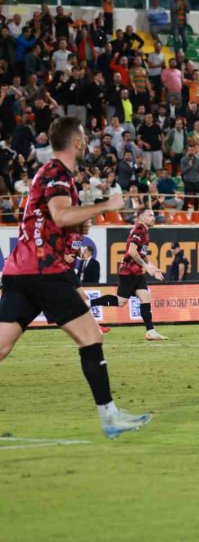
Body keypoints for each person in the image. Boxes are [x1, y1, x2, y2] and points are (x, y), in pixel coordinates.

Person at [0, 116, 152, 439]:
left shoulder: (51, 172)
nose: (87, 143)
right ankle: (110, 417)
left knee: (1, 347)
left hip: (21, 270)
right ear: (78, 142)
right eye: (84, 138)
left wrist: (76, 225)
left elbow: (51, 219)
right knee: (91, 338)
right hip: (44, 272)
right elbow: (59, 214)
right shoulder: (57, 173)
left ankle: (111, 417)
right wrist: (104, 205)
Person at [90, 207, 168, 340]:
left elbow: (142, 254)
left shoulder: (145, 231)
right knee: (121, 301)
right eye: (149, 215)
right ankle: (88, 304)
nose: (153, 217)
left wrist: (153, 268)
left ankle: (150, 331)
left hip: (137, 272)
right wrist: (146, 266)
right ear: (140, 217)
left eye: (153, 215)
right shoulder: (140, 229)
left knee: (145, 297)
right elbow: (132, 251)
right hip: (129, 271)